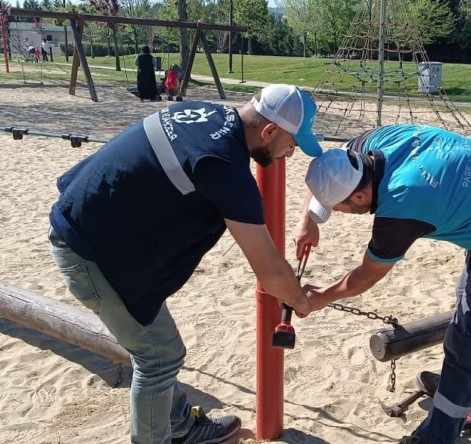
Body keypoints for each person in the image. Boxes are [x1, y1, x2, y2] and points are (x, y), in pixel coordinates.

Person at [49, 84, 322, 444]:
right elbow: (270, 270)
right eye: (292, 143)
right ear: (269, 131)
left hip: (99, 231)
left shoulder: (202, 112)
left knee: (160, 343)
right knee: (159, 356)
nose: (291, 153)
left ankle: (176, 424)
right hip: (89, 253)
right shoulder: (225, 167)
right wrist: (301, 302)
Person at [292, 124, 471, 444]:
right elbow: (325, 162)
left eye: (337, 207)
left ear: (359, 196)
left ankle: (438, 434)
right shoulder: (374, 144)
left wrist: (321, 296)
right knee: (467, 304)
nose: (337, 213)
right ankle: (466, 391)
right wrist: (308, 218)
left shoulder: (402, 204)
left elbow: (367, 275)